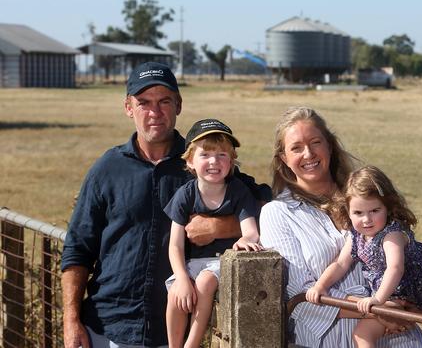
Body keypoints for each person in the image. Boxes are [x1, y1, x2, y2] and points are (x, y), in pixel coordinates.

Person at [61, 62, 270, 348]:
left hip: (171, 331)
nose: (154, 112)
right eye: (143, 103)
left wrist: (221, 226)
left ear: (179, 105)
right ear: (128, 107)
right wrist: (71, 321)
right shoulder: (107, 169)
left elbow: (266, 205)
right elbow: (78, 249)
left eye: (164, 101)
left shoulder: (202, 162)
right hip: (106, 327)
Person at [259, 106, 422, 348]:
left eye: (315, 142)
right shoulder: (277, 213)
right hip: (331, 338)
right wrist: (377, 311)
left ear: (329, 146)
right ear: (284, 159)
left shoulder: (365, 196)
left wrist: (411, 302)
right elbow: (300, 292)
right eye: (296, 148)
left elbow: (406, 255)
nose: (308, 154)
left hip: (398, 336)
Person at [306, 165, 422, 348]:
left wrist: (378, 300)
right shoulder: (355, 235)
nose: (366, 220)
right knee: (367, 332)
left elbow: (396, 268)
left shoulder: (391, 235)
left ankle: (393, 311)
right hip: (388, 295)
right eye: (358, 213)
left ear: (387, 206)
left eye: (374, 211)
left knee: (362, 334)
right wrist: (320, 286)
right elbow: (340, 263)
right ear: (347, 210)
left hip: (403, 292)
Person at [164, 118, 263, 348]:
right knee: (175, 294)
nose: (214, 161)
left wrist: (246, 240)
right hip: (191, 263)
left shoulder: (238, 191)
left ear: (231, 161)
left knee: (205, 283)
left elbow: (251, 231)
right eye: (205, 155)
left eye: (222, 155)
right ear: (190, 160)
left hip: (222, 262)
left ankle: (192, 344)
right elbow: (175, 245)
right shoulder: (185, 195)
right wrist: (180, 277)